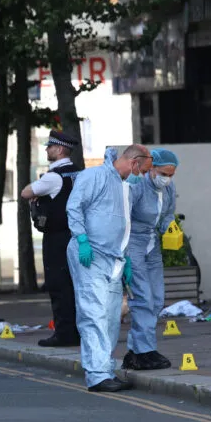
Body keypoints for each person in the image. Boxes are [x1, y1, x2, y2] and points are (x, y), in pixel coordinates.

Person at [67, 143, 151, 392]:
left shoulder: (124, 186)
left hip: (114, 259)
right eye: (143, 171)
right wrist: (82, 239)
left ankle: (105, 370)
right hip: (90, 255)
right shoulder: (94, 176)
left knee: (111, 317)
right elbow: (74, 206)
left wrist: (126, 258)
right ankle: (96, 375)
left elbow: (123, 226)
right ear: (133, 163)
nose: (142, 177)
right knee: (94, 314)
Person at [21, 130, 84, 347]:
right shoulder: (78, 173)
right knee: (75, 286)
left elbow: (26, 192)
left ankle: (64, 334)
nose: (47, 150)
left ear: (59, 149)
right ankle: (78, 331)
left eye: (50, 147)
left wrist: (37, 195)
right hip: (78, 235)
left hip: (57, 237)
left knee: (58, 285)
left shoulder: (53, 177)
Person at [122, 148, 178, 370]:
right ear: (152, 168)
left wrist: (169, 227)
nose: (167, 178)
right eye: (164, 174)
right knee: (142, 298)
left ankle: (136, 350)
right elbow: (124, 217)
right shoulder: (136, 186)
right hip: (133, 244)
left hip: (152, 245)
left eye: (171, 175)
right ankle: (145, 351)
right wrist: (124, 254)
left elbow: (168, 214)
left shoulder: (169, 188)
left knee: (156, 298)